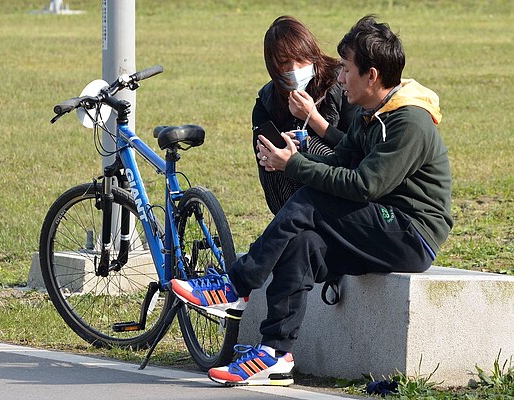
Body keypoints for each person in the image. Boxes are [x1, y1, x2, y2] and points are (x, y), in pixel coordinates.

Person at [170, 15, 453, 386]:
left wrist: (297, 166)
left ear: (371, 75)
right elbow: (340, 160)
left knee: (310, 200)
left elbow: (364, 185)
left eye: (346, 70)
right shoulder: (371, 115)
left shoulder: (408, 122)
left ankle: (235, 285)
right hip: (379, 224)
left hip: (410, 233)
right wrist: (295, 156)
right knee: (303, 243)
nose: (339, 77)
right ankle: (274, 354)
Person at [253, 16, 356, 215]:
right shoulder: (267, 100)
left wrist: (315, 119)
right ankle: (293, 224)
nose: (294, 69)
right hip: (288, 191)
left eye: (300, 59)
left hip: (342, 184)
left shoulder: (341, 84)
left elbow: (359, 150)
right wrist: (270, 152)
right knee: (277, 155)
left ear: (312, 53)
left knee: (309, 146)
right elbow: (260, 149)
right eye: (284, 63)